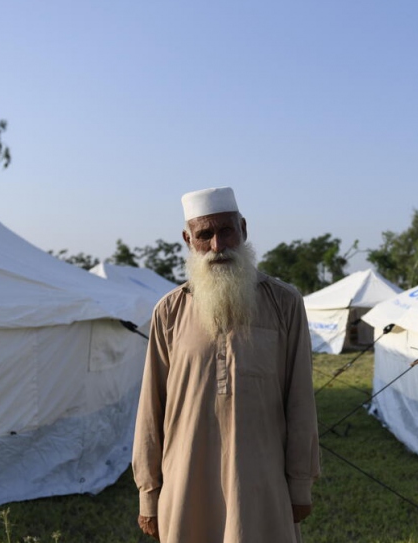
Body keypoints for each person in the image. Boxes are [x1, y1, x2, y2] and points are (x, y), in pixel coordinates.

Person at [132, 187, 320, 543]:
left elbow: (300, 403)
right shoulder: (169, 312)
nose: (218, 245)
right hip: (186, 484)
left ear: (243, 229)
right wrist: (148, 493)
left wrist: (300, 484)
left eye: (226, 230)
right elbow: (150, 411)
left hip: (262, 487)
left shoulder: (284, 303)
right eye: (205, 235)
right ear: (189, 240)